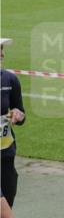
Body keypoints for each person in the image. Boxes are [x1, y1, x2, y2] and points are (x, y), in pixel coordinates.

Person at [1, 38, 26, 207]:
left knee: (8, 203)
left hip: (6, 153)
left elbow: (21, 111)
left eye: (2, 49)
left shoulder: (10, 80)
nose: (2, 54)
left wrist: (19, 115)